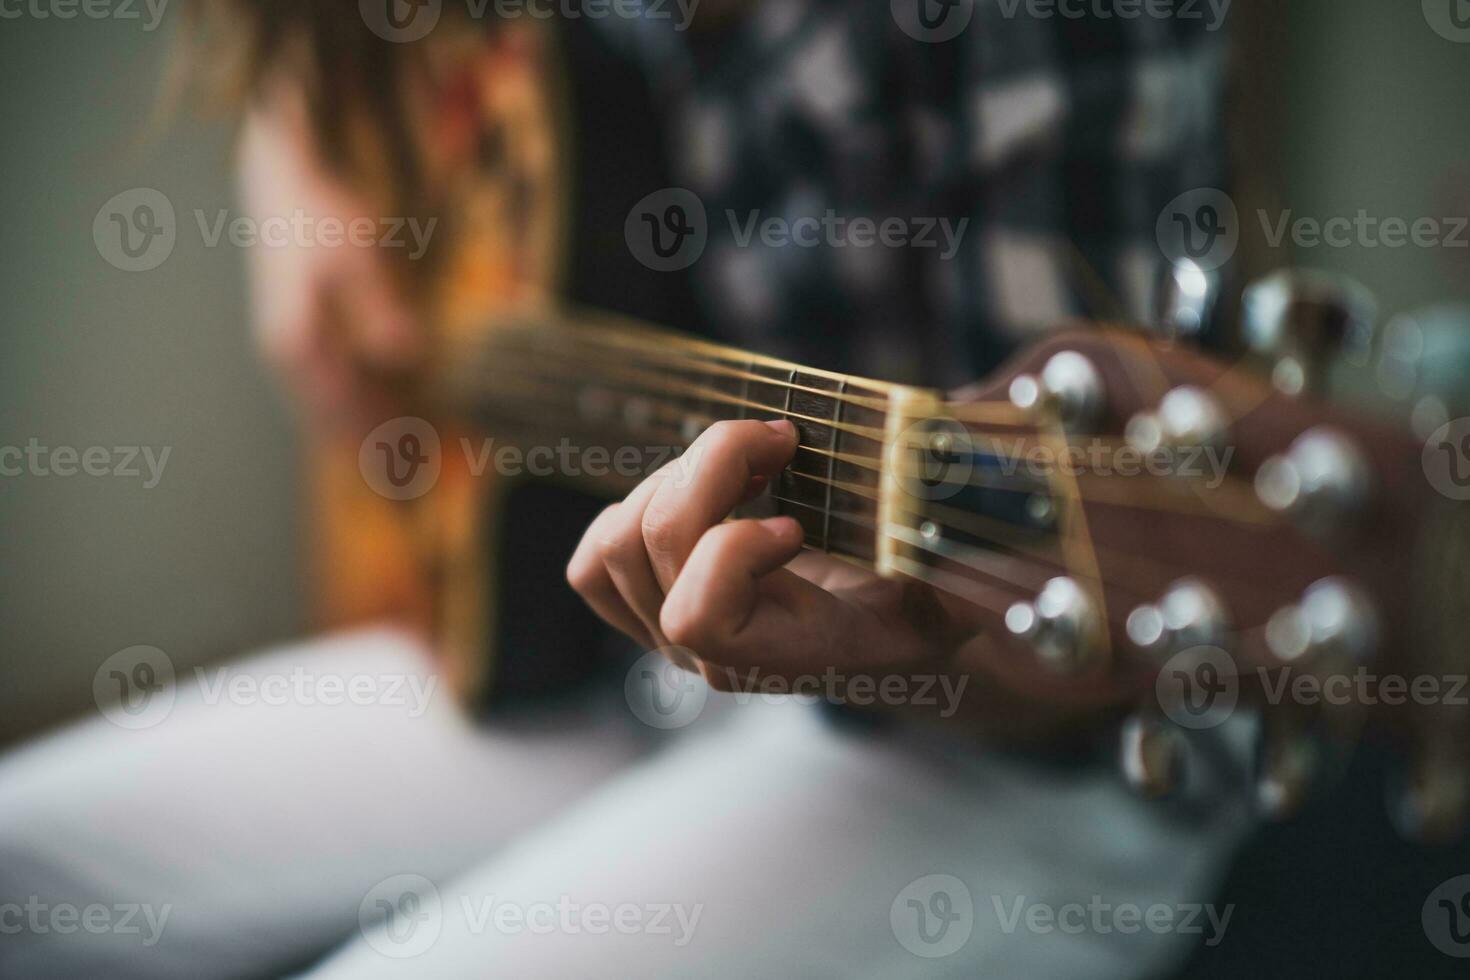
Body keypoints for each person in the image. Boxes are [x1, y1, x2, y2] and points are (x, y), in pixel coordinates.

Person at [0, 2, 1258, 977]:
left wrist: (887, 649)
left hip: (1037, 737)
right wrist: (294, 124)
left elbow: (1093, 608)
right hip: (623, 656)